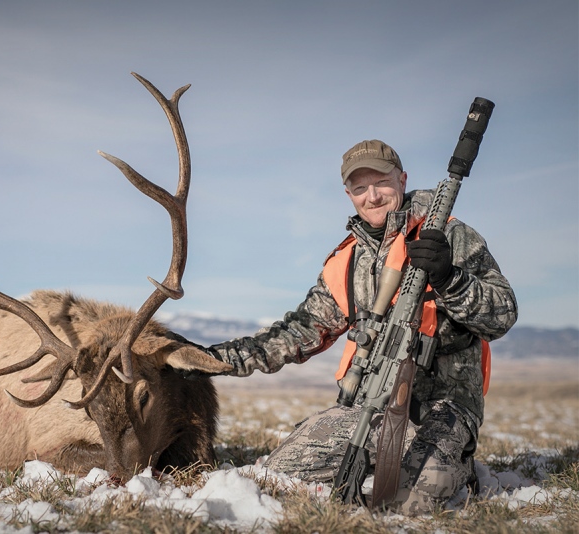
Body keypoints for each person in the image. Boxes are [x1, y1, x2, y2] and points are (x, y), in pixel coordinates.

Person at [205, 139, 518, 514]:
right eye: (359, 187)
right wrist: (210, 359)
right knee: (275, 476)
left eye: (381, 182)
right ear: (348, 194)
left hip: (443, 408)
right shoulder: (346, 261)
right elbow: (295, 334)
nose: (372, 196)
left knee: (412, 500)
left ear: (402, 180)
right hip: (368, 409)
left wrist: (451, 277)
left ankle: (455, 463)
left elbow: (503, 314)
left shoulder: (450, 236)